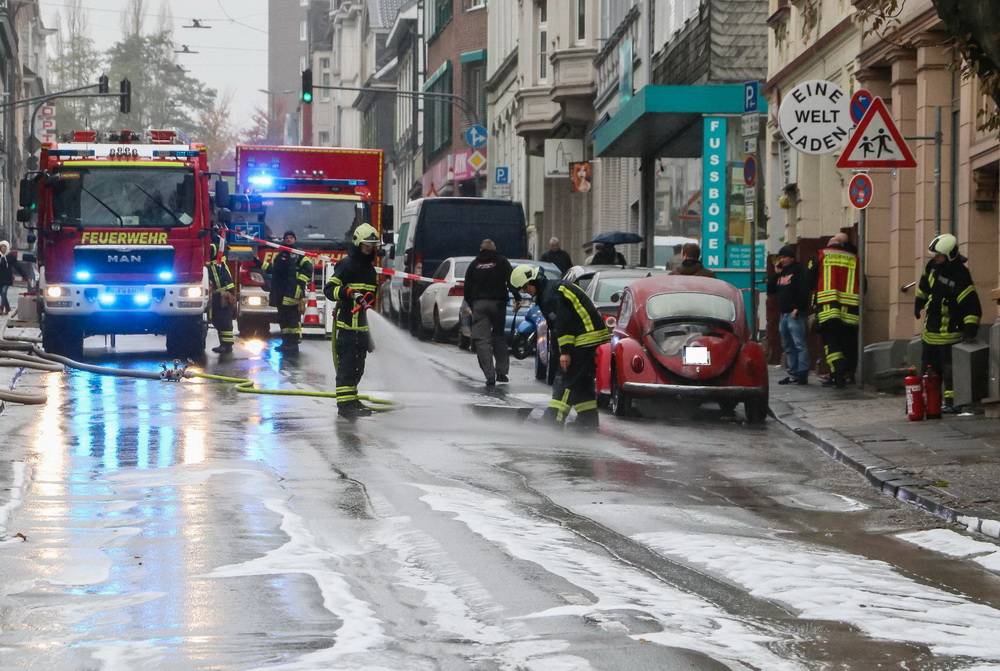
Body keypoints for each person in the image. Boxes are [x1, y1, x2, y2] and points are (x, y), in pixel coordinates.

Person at [511, 263, 610, 428]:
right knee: (582, 383)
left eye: (525, 287)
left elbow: (563, 323)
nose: (525, 291)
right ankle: (588, 421)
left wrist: (565, 352)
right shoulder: (551, 290)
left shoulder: (550, 296)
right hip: (589, 336)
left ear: (533, 281)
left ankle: (553, 422)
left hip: (584, 338)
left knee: (566, 381)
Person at [915, 233, 982, 412]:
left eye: (939, 256)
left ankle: (950, 403)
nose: (936, 259)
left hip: (949, 333)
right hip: (930, 331)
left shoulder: (960, 274)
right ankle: (929, 401)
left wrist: (970, 328)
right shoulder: (932, 267)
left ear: (950, 255)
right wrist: (918, 303)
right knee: (929, 370)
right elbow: (923, 287)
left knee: (949, 371)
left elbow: (971, 305)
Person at [324, 223, 380, 419]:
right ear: (357, 244)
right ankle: (345, 406)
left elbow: (373, 304)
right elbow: (329, 290)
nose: (369, 249)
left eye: (372, 246)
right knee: (346, 369)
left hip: (363, 330)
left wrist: (371, 336)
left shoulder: (371, 271)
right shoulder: (346, 265)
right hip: (347, 327)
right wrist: (347, 292)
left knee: (358, 368)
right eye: (366, 245)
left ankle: (352, 399)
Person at [464, 239, 516, 386]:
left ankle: (489, 375)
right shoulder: (501, 261)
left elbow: (467, 286)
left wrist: (471, 303)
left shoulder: (474, 264)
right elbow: (512, 281)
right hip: (498, 304)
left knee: (482, 340)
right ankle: (502, 372)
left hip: (479, 304)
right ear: (494, 249)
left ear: (481, 250)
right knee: (499, 336)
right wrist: (516, 297)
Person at [263, 230, 313, 353]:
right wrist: (260, 264)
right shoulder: (280, 255)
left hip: (292, 291)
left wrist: (299, 284)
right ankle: (286, 342)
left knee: (292, 318)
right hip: (280, 292)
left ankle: (293, 344)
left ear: (295, 240)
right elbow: (275, 271)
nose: (289, 240)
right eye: (286, 238)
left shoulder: (299, 254)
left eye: (291, 237)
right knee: (283, 318)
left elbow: (308, 269)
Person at [768, 244, 811, 385]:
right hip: (783, 314)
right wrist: (776, 273)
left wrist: (798, 308)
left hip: (794, 314)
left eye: (784, 257)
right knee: (787, 345)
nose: (782, 260)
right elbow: (771, 290)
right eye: (780, 257)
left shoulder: (799, 271)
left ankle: (802, 373)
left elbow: (804, 290)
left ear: (791, 258)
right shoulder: (782, 273)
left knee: (799, 344)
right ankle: (793, 374)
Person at [206, 243, 236, 354]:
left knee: (224, 320)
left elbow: (214, 248)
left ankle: (227, 346)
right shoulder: (213, 264)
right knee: (218, 320)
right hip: (217, 295)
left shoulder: (219, 263)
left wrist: (229, 293)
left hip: (224, 294)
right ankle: (223, 344)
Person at [0, 241, 19, 316]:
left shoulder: (10, 256)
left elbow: (18, 267)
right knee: (2, 294)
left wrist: (25, 276)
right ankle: (8, 308)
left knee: (3, 293)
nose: (3, 248)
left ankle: (1, 309)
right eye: (2, 246)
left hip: (7, 279)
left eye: (5, 246)